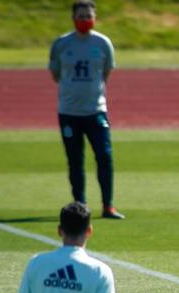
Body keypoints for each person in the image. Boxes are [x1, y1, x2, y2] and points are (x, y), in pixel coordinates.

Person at [49, 0, 124, 219]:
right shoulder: (62, 44)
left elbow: (107, 72)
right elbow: (55, 74)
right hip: (69, 112)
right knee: (75, 160)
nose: (85, 20)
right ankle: (80, 206)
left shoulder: (102, 43)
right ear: (73, 18)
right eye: (81, 16)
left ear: (95, 17)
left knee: (104, 156)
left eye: (89, 16)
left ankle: (108, 205)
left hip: (96, 111)